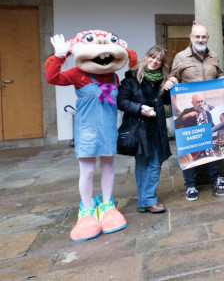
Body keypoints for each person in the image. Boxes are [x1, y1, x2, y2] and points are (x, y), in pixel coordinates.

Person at [46, 30, 133, 241]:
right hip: (87, 129)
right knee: (87, 171)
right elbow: (53, 77)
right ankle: (86, 209)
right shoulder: (78, 73)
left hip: (108, 128)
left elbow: (130, 57)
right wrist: (59, 56)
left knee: (108, 167)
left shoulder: (114, 76)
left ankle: (106, 204)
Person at [168, 23, 224, 201]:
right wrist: (171, 81)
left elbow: (218, 74)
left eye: (203, 37)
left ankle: (215, 178)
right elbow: (173, 77)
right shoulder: (181, 57)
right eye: (197, 37)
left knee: (210, 144)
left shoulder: (213, 55)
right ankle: (190, 185)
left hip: (206, 112)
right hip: (190, 113)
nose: (200, 40)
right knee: (189, 145)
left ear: (208, 38)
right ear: (191, 37)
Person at [117, 46, 173, 213]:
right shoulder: (132, 79)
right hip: (139, 128)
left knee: (152, 162)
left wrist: (170, 86)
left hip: (157, 128)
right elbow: (121, 101)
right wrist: (140, 108)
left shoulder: (161, 80)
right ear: (146, 57)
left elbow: (167, 101)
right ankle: (148, 199)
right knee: (148, 163)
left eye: (159, 60)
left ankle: (144, 201)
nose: (155, 61)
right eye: (152, 57)